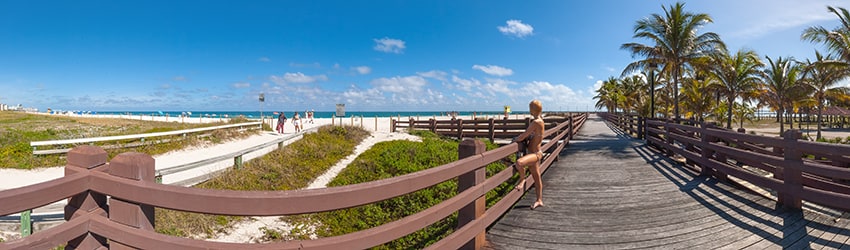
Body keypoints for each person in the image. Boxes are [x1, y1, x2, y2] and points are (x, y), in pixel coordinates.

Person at [512, 100, 545, 210]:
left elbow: (523, 136)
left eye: (530, 107)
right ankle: (539, 200)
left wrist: (515, 140)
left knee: (519, 163)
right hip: (534, 152)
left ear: (533, 109)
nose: (529, 109)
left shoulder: (536, 122)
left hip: (535, 154)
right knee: (537, 178)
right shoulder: (540, 121)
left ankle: (522, 179)